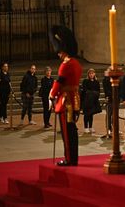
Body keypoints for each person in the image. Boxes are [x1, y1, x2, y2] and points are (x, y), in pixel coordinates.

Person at [48, 25, 82, 166]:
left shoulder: (65, 64)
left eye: (59, 51)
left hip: (66, 101)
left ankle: (69, 159)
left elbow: (59, 81)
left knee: (67, 134)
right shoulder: (77, 63)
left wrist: (51, 95)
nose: (58, 54)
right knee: (72, 131)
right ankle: (73, 158)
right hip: (74, 99)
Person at [81, 68, 101, 134]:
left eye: (92, 73)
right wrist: (93, 93)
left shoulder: (96, 81)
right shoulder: (85, 81)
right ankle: (86, 127)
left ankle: (90, 127)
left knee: (91, 114)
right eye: (90, 73)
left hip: (94, 100)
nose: (91, 75)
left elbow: (98, 91)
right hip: (87, 100)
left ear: (94, 74)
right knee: (87, 114)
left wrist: (94, 93)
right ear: (88, 74)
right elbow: (85, 90)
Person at [102, 66, 112, 135]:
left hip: (116, 98)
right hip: (109, 98)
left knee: (115, 115)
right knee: (109, 114)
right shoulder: (106, 79)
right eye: (110, 70)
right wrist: (106, 76)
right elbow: (106, 88)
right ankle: (108, 129)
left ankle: (114, 128)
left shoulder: (117, 78)